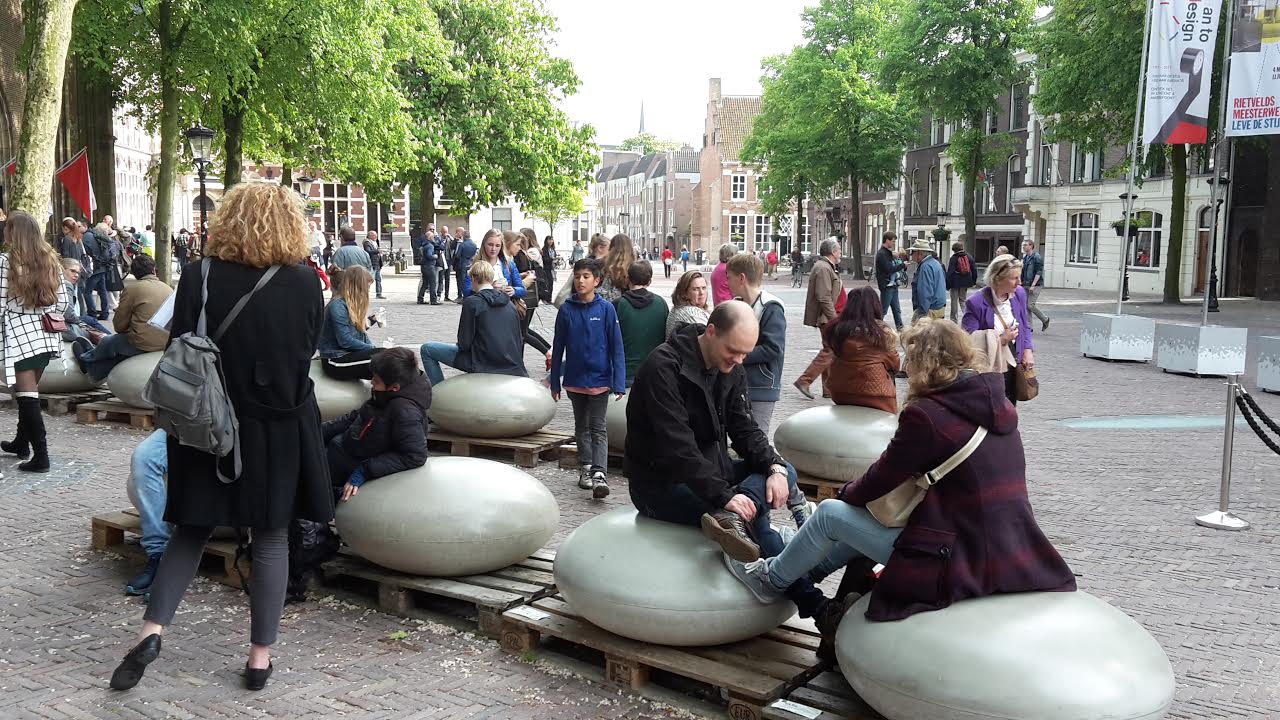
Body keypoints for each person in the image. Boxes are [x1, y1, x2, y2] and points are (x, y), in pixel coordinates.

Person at [724, 319, 1075, 657]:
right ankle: (803, 571)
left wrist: (843, 497)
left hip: (958, 558)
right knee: (855, 522)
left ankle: (771, 580)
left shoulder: (928, 415)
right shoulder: (996, 407)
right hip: (1008, 549)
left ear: (924, 363)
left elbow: (879, 479)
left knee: (831, 514)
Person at [108, 181, 330, 692]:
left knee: (191, 530)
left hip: (204, 423)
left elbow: (180, 345)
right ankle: (259, 659)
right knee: (270, 536)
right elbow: (304, 352)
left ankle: (151, 632)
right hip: (275, 423)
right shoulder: (303, 281)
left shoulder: (198, 274)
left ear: (228, 220)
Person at [625, 302, 824, 616]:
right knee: (757, 522)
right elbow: (679, 448)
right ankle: (816, 605)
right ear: (711, 332)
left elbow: (745, 429)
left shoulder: (732, 368)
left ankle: (735, 520)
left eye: (745, 353)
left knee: (784, 471)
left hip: (712, 474)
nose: (739, 360)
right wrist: (725, 497)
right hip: (660, 486)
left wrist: (773, 467)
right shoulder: (662, 368)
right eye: (734, 351)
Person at [0, 211, 71, 472]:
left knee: (27, 395)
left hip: (19, 334)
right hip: (47, 333)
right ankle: (21, 443)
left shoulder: (5, 262)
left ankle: (42, 457)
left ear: (14, 233)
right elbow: (63, 302)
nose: (3, 231)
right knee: (26, 393)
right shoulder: (51, 260)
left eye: (7, 227)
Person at [550, 258, 625, 499]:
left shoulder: (606, 309)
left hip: (600, 380)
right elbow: (558, 347)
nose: (581, 281)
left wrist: (619, 381)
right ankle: (585, 467)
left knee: (598, 427)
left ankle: (599, 473)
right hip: (575, 380)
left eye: (586, 276)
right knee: (581, 426)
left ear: (597, 280)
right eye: (577, 276)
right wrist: (554, 381)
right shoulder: (566, 310)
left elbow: (616, 347)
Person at [324, 347, 430, 504]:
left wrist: (364, 471)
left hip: (360, 463)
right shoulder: (386, 394)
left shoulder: (405, 411)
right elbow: (358, 416)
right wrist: (316, 432)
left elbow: (414, 456)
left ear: (395, 387)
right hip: (346, 448)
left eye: (377, 380)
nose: (372, 382)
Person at [419, 261, 526, 385]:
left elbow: (464, 343)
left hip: (482, 362)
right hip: (512, 364)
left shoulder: (472, 302)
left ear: (474, 279)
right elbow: (518, 339)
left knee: (427, 349)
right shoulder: (509, 304)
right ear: (491, 279)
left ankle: (438, 390)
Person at [74, 254, 171, 382]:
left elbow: (119, 325)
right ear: (154, 270)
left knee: (108, 341)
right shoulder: (168, 289)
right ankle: (93, 370)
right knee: (120, 356)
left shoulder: (132, 289)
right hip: (166, 342)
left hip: (142, 343)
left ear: (134, 273)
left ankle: (87, 358)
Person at [962, 254, 1035, 405]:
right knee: (992, 407)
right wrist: (1001, 339)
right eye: (1014, 278)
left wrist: (1027, 350)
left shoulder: (1019, 293)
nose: (1019, 282)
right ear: (997, 278)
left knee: (1010, 406)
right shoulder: (975, 302)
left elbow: (1024, 323)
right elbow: (968, 340)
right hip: (991, 366)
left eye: (1019, 277)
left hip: (1014, 361)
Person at [724, 253, 785, 434]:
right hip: (738, 381)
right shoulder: (736, 305)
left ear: (741, 278)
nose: (727, 283)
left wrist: (736, 355)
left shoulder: (770, 307)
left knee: (756, 436)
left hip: (761, 385)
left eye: (729, 277)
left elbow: (773, 348)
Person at [824, 287, 900, 413]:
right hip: (878, 395)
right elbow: (895, 365)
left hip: (840, 392)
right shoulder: (882, 334)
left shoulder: (837, 331)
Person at [794, 239, 843, 400]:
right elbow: (824, 296)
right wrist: (833, 318)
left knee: (829, 349)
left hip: (826, 316)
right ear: (832, 252)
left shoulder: (825, 266)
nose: (840, 253)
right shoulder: (823, 268)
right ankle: (804, 381)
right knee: (830, 350)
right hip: (826, 317)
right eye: (839, 250)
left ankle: (827, 388)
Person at [124, 430, 170, 596]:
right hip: (188, 422)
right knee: (144, 457)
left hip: (231, 426)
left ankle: (174, 566)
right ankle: (158, 554)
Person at [614, 261, 669, 387]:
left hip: (625, 373)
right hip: (654, 371)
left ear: (627, 279)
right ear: (649, 281)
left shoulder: (618, 304)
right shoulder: (661, 303)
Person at [317, 265, 378, 381]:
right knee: (388, 360)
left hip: (348, 354)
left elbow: (360, 334)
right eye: (367, 288)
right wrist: (372, 348)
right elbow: (345, 341)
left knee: (394, 358)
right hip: (336, 358)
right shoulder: (338, 306)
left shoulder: (349, 305)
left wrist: (373, 349)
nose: (368, 292)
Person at [511, 229, 552, 362]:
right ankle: (548, 351)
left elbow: (522, 276)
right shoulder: (526, 254)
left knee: (522, 332)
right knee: (524, 331)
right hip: (529, 296)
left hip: (525, 297)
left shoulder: (523, 255)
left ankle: (548, 353)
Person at [462, 229, 527, 303]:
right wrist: (488, 288)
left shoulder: (508, 263)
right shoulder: (476, 264)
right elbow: (467, 292)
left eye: (497, 246)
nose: (493, 249)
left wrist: (514, 291)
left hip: (504, 306)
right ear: (484, 244)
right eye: (490, 245)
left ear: (501, 247)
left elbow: (522, 290)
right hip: (482, 307)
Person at [58, 259, 112, 339]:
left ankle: (110, 339)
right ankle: (111, 339)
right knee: (89, 320)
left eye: (78, 273)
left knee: (89, 320)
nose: (76, 275)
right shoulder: (66, 284)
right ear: (62, 269)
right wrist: (80, 322)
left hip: (62, 320)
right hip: (62, 322)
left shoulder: (68, 284)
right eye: (72, 271)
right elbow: (68, 313)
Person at [908, 238, 946, 322]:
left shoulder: (925, 267)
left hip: (930, 310)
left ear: (919, 253)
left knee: (915, 329)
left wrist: (921, 314)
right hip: (938, 307)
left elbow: (925, 291)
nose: (911, 255)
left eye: (912, 252)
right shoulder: (935, 263)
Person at [666, 270, 711, 340]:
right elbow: (712, 339)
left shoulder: (679, 308)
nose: (701, 292)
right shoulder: (691, 314)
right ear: (684, 293)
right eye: (695, 289)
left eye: (704, 288)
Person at [873, 233, 905, 330]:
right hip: (887, 285)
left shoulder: (887, 253)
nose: (894, 243)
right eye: (893, 241)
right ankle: (875, 328)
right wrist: (903, 265)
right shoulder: (882, 254)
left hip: (893, 285)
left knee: (896, 309)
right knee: (883, 310)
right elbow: (889, 269)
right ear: (887, 240)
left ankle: (900, 328)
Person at [945, 241, 979, 323]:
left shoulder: (954, 258)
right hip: (965, 282)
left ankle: (954, 319)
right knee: (963, 300)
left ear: (954, 250)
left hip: (955, 283)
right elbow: (974, 270)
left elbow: (950, 272)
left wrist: (948, 284)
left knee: (954, 301)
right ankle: (967, 316)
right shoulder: (969, 257)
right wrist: (973, 281)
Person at [1021, 240, 1049, 331]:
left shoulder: (1037, 257)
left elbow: (1039, 272)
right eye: (1023, 245)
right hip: (1025, 284)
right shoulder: (1025, 257)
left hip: (1036, 285)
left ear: (1031, 246)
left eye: (1025, 245)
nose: (1023, 247)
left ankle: (1045, 319)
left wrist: (1033, 285)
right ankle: (1029, 326)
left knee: (1030, 305)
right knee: (1026, 306)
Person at [598, 233, 635, 303]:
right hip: (626, 304)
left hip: (606, 304)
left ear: (611, 248)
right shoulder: (634, 266)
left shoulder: (602, 264)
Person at [451, 227, 476, 304]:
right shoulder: (474, 245)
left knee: (461, 281)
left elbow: (457, 255)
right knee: (469, 281)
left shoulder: (462, 245)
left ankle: (461, 296)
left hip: (462, 265)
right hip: (471, 264)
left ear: (464, 236)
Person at [417, 227, 440, 304]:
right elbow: (429, 255)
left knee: (425, 283)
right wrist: (435, 256)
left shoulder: (424, 245)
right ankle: (433, 300)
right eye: (433, 237)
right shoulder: (430, 246)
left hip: (424, 266)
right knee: (433, 283)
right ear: (430, 238)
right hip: (430, 266)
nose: (434, 238)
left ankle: (420, 298)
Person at [363, 231, 385, 300]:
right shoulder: (367, 243)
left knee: (378, 279)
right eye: (374, 235)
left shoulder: (375, 242)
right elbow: (368, 251)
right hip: (372, 263)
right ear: (370, 236)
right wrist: (377, 251)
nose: (376, 236)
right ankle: (365, 293)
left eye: (376, 235)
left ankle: (379, 293)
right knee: (370, 279)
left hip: (377, 263)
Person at [439, 227, 456, 301]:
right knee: (440, 278)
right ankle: (439, 294)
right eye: (444, 232)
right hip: (441, 261)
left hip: (448, 260)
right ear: (441, 232)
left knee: (447, 279)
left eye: (446, 231)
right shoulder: (439, 239)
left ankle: (446, 295)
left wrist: (451, 237)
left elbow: (454, 245)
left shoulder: (449, 239)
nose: (445, 233)